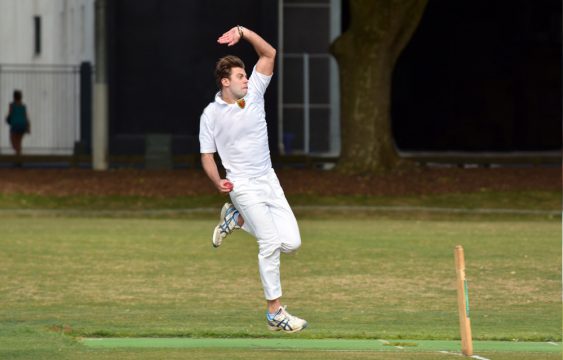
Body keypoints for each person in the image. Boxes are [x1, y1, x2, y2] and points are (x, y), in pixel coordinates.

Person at [199, 25, 308, 333]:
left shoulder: (255, 91)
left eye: (247, 74)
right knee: (271, 242)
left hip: (268, 180)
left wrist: (243, 32)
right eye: (240, 76)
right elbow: (207, 156)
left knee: (292, 243)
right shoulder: (212, 115)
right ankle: (275, 313)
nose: (247, 79)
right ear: (225, 82)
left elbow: (269, 53)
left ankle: (237, 219)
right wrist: (217, 181)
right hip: (242, 184)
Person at [5, 90, 30, 161]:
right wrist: (28, 127)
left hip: (15, 125)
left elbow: (9, 115)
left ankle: (18, 157)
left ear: (14, 97)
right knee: (19, 143)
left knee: (14, 143)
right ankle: (18, 159)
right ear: (21, 97)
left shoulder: (11, 105)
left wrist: (7, 120)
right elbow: (25, 117)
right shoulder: (23, 106)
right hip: (23, 125)